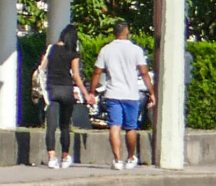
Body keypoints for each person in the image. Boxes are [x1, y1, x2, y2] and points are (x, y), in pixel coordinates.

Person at [93, 21, 154, 169]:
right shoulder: (136, 50)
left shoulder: (106, 50)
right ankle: (131, 157)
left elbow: (97, 72)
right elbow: (144, 73)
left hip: (113, 93)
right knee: (131, 127)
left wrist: (91, 91)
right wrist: (152, 92)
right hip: (131, 94)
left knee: (114, 126)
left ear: (114, 32)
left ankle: (118, 160)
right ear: (126, 31)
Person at [39, 24, 91, 169]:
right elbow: (76, 76)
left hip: (52, 90)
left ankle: (51, 157)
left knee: (50, 126)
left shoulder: (52, 49)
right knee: (64, 126)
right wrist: (85, 93)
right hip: (67, 90)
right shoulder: (72, 53)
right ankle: (65, 156)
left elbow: (43, 68)